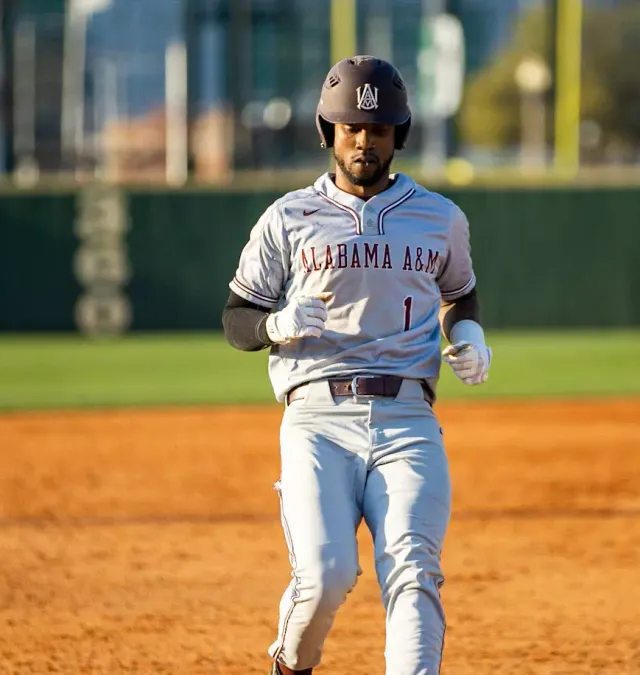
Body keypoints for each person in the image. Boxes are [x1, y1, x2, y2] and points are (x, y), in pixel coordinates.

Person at [220, 55, 493, 675]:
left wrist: (469, 331)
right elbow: (237, 317)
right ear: (328, 131)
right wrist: (275, 326)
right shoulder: (287, 217)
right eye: (350, 128)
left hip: (408, 417)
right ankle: (292, 664)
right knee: (325, 573)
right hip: (317, 417)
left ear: (399, 134)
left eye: (377, 129)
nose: (364, 140)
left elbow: (460, 291)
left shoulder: (441, 218)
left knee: (414, 573)